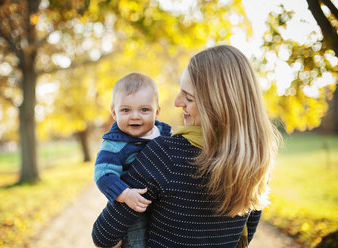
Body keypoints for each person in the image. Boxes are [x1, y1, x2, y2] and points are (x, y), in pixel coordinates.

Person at [92, 45, 281, 248]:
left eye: (188, 97)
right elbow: (243, 239)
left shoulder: (165, 154)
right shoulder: (257, 160)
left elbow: (104, 236)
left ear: (215, 105)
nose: (177, 102)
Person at [94, 72, 172, 248]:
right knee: (136, 240)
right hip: (133, 207)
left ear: (157, 111)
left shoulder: (166, 135)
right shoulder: (114, 144)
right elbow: (103, 174)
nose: (135, 116)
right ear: (114, 113)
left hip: (162, 207)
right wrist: (125, 194)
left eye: (144, 110)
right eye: (126, 110)